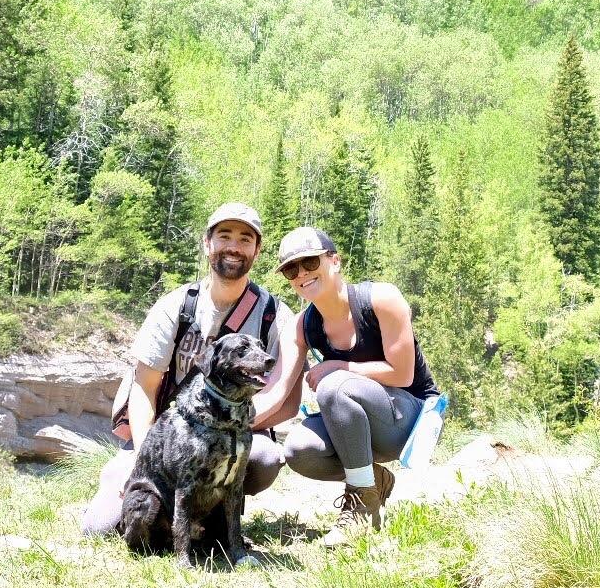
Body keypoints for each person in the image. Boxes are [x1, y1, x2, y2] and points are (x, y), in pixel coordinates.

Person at [82, 203, 303, 544]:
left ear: (257, 251)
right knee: (98, 528)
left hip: (233, 433)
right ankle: (138, 495)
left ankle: (213, 515)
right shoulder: (176, 306)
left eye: (245, 239)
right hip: (163, 440)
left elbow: (288, 401)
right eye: (224, 236)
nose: (234, 246)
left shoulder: (275, 315)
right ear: (207, 244)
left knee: (265, 457)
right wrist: (149, 458)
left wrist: (225, 431)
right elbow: (144, 388)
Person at [278, 226, 441, 545]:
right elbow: (279, 387)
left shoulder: (381, 299)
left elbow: (403, 375)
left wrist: (339, 366)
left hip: (407, 419)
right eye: (291, 269)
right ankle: (371, 480)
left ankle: (362, 509)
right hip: (356, 427)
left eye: (310, 262)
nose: (301, 274)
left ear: (334, 261)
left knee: (333, 385)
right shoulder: (304, 325)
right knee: (298, 450)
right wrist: (235, 424)